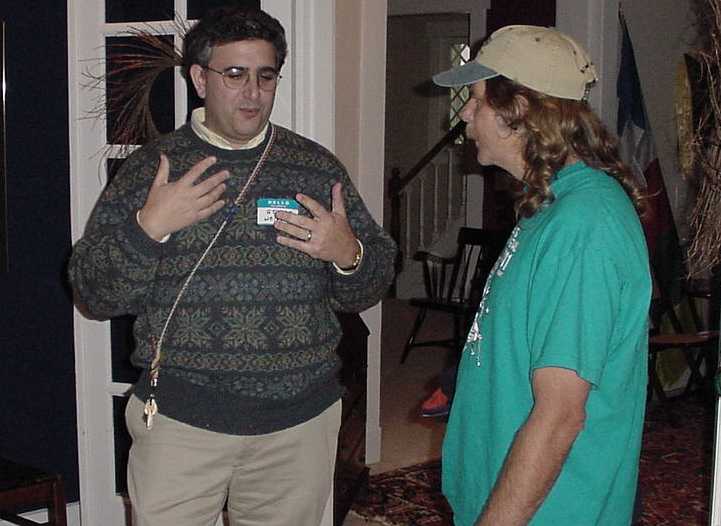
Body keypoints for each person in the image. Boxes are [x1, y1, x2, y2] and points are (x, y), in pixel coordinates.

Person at [68, 7, 396, 526]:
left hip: (298, 424)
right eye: (235, 74)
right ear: (200, 79)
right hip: (181, 423)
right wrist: (147, 227)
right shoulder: (152, 169)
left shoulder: (315, 167)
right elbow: (93, 292)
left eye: (266, 76)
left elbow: (371, 284)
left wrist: (347, 253)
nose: (252, 93)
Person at [432, 25, 651, 525]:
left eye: (477, 100)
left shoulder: (584, 225)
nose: (465, 114)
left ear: (519, 110)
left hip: (550, 511)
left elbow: (559, 417)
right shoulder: (550, 205)